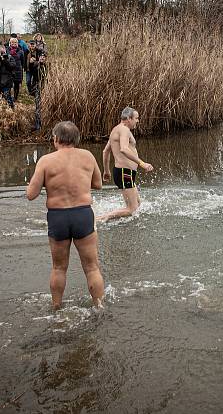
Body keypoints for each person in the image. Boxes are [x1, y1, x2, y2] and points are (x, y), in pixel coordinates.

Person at [26, 121, 105, 309]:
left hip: (58, 217)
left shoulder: (46, 161)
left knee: (59, 268)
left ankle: (56, 308)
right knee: (92, 267)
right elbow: (98, 184)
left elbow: (31, 195)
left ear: (56, 138)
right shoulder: (87, 156)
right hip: (82, 214)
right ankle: (99, 306)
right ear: (75, 139)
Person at [98, 107, 154, 221]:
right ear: (128, 118)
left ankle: (121, 224)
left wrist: (106, 171)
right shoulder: (124, 130)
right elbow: (123, 149)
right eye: (136, 118)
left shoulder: (116, 130)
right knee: (132, 209)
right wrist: (142, 163)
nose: (137, 121)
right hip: (124, 172)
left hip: (124, 172)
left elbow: (106, 151)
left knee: (138, 204)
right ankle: (99, 218)